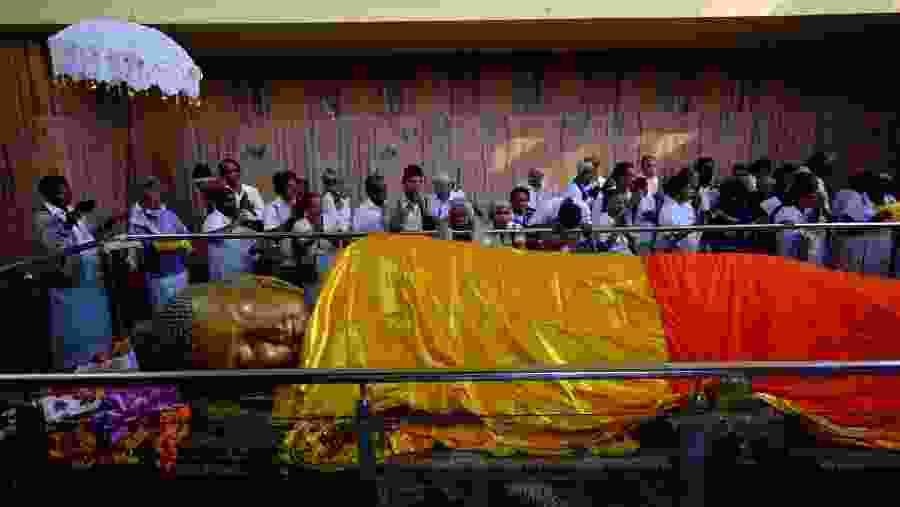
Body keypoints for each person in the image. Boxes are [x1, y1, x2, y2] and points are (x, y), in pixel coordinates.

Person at [33, 175, 125, 370]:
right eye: (61, 191)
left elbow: (88, 234)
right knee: (77, 329)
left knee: (97, 326)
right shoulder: (42, 217)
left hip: (92, 280)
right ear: (48, 195)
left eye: (67, 189)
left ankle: (101, 362)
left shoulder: (71, 211)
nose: (67, 194)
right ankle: (78, 369)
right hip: (70, 286)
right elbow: (54, 245)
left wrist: (110, 222)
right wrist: (69, 220)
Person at [128, 176, 192, 313]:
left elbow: (186, 237)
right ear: (143, 194)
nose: (155, 194)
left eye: (157, 190)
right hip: (158, 277)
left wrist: (182, 245)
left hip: (179, 272)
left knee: (184, 314)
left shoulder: (169, 215)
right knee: (164, 316)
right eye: (150, 190)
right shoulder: (137, 220)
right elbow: (147, 247)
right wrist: (175, 244)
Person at [292, 192, 349, 308]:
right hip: (311, 271)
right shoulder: (299, 224)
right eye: (315, 206)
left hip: (331, 267)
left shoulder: (330, 220)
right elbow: (303, 245)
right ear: (307, 209)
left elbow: (341, 240)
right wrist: (319, 232)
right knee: (313, 306)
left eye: (319, 206)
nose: (318, 210)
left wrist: (331, 235)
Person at [831, 171, 892, 275]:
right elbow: (848, 228)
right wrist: (876, 219)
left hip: (872, 253)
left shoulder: (886, 200)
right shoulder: (851, 196)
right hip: (850, 250)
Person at [204, 188, 258, 281]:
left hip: (245, 272)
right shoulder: (212, 218)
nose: (232, 204)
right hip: (223, 275)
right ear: (218, 203)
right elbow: (215, 238)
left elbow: (252, 245)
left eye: (233, 200)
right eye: (228, 200)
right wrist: (236, 223)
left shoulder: (238, 218)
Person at [654, 171, 702, 252]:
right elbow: (669, 241)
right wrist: (692, 228)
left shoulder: (688, 205)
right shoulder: (667, 208)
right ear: (681, 189)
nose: (692, 191)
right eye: (689, 188)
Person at [389, 164, 437, 232]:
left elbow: (433, 228)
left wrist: (424, 210)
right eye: (413, 181)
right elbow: (391, 228)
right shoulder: (396, 203)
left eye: (420, 182)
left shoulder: (426, 202)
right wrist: (402, 215)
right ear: (404, 183)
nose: (417, 185)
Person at [218, 157, 265, 226]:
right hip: (229, 230)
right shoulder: (220, 192)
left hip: (250, 229)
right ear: (222, 175)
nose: (234, 174)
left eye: (236, 170)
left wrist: (249, 214)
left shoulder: (251, 190)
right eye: (229, 172)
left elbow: (262, 213)